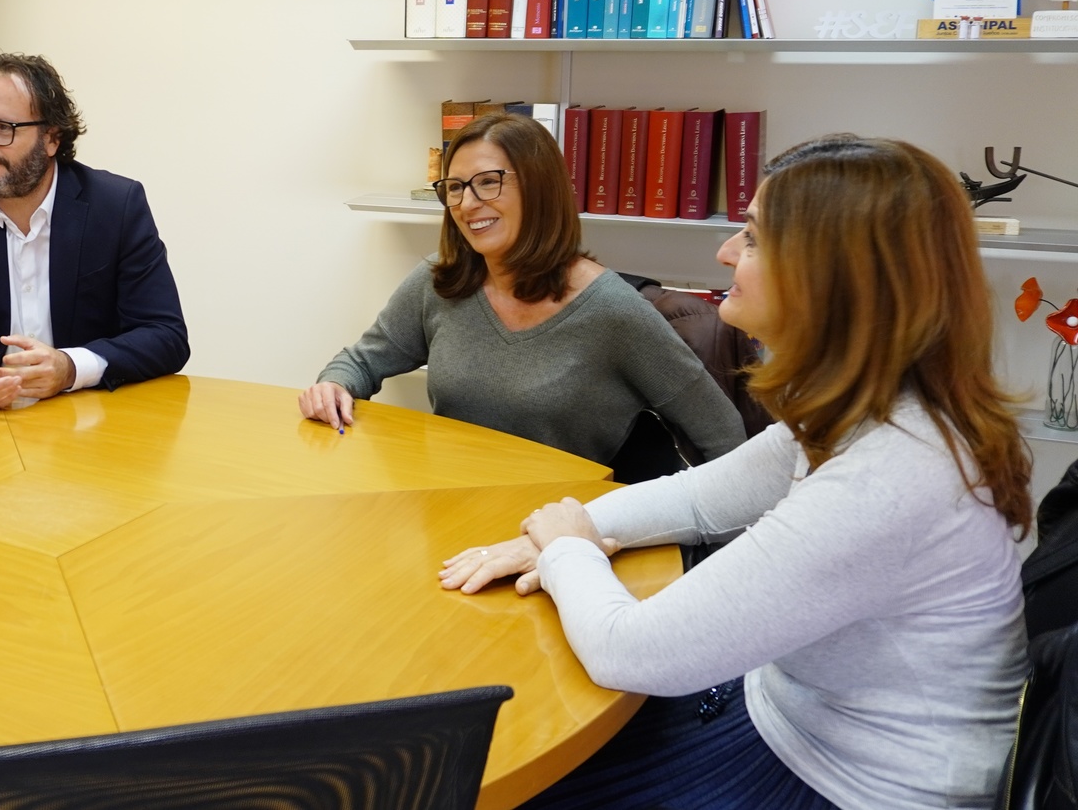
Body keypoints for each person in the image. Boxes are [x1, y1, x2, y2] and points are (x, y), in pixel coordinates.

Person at [439, 135, 1032, 810]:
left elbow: (629, 651)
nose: (724, 253)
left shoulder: (889, 478)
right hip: (789, 719)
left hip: (836, 783)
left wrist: (571, 544)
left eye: (750, 238)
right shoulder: (876, 412)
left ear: (826, 275)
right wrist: (558, 534)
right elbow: (700, 497)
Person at [300, 112, 745, 467]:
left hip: (557, 540)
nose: (468, 203)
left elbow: (723, 437)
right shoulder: (441, 280)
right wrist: (335, 386)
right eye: (454, 188)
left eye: (488, 182)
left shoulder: (615, 311)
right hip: (448, 511)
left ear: (539, 188)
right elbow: (361, 361)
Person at [0, 53, 189, 407]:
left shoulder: (117, 206)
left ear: (51, 138)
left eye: (3, 127)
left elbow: (165, 335)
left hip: (90, 419)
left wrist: (71, 367)